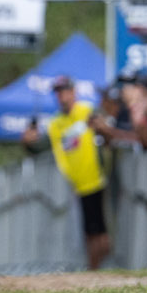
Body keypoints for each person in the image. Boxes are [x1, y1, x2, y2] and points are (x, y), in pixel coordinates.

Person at [22, 76, 125, 270]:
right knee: (91, 231)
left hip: (101, 178)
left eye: (65, 91)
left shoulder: (87, 111)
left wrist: (102, 123)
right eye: (58, 92)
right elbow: (39, 147)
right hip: (79, 184)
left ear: (74, 92)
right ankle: (96, 270)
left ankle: (97, 271)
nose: (62, 96)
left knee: (101, 232)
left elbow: (109, 123)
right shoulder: (56, 124)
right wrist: (28, 142)